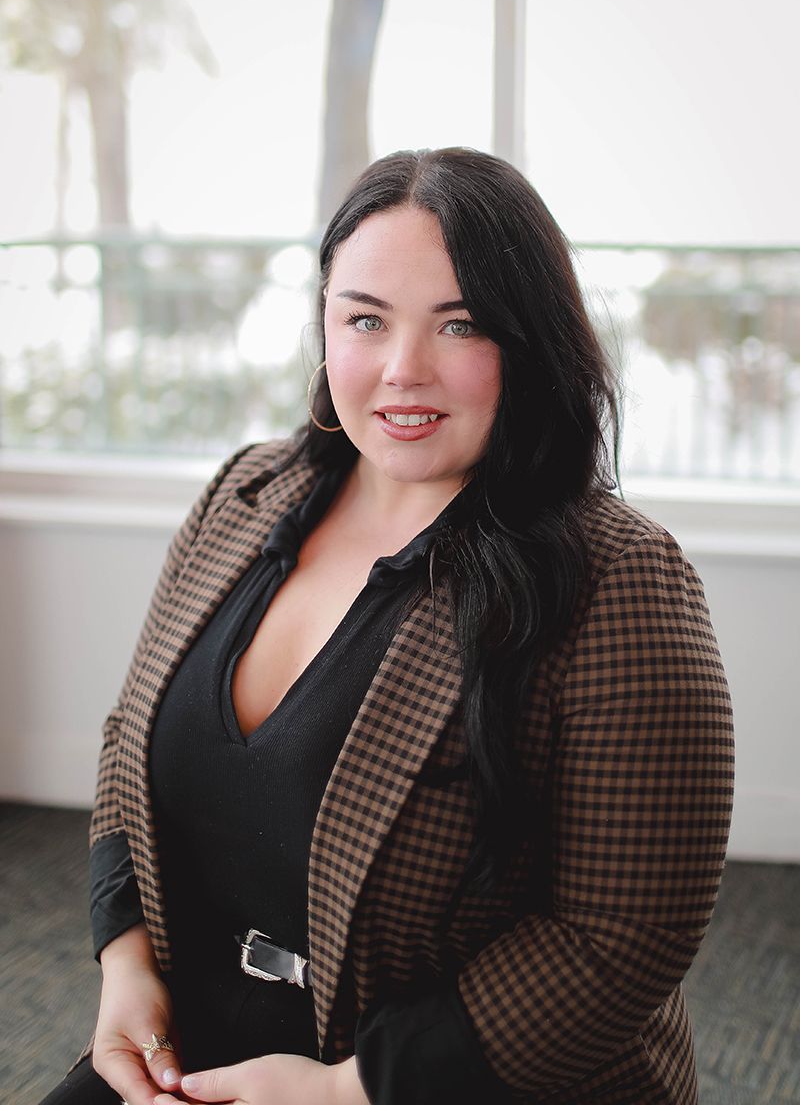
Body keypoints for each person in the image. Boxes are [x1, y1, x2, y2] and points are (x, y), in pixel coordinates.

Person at [42, 147, 734, 1105]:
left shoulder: (619, 579)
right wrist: (127, 971)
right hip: (188, 1047)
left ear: (530, 341)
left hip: (437, 1079)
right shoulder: (245, 494)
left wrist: (342, 1091)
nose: (404, 372)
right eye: (366, 319)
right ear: (326, 327)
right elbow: (129, 743)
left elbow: (620, 936)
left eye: (461, 324)